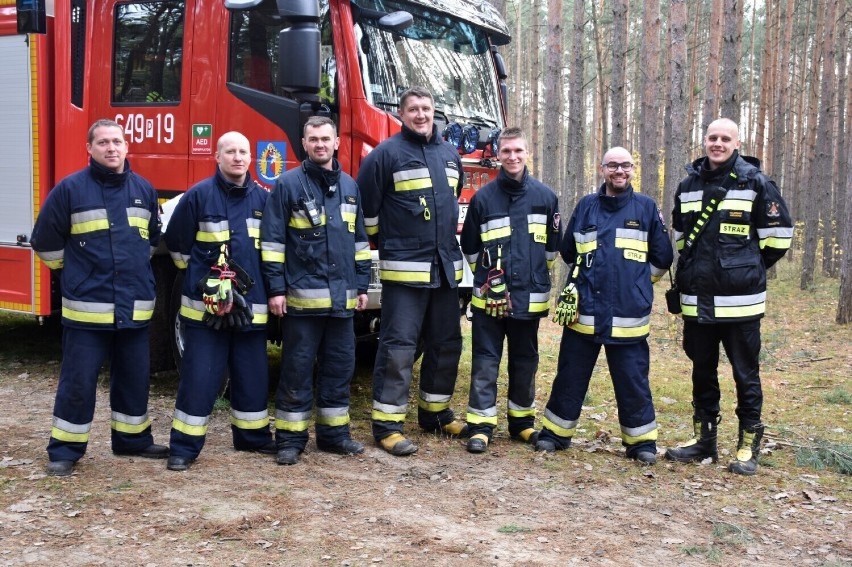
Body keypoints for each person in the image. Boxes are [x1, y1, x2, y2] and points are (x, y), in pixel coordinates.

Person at [31, 119, 168, 476]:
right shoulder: (70, 190)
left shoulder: (144, 189)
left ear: (127, 147)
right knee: (78, 381)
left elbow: (151, 241)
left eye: (117, 142)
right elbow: (44, 242)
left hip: (134, 307)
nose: (111, 148)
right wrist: (74, 274)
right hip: (87, 312)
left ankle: (133, 440)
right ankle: (65, 450)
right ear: (89, 149)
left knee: (134, 378)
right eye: (103, 142)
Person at [665, 118, 793, 475]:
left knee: (745, 373)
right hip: (697, 302)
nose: (717, 143)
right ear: (704, 141)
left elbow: (779, 238)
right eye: (712, 137)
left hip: (741, 303)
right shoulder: (687, 185)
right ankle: (704, 440)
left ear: (737, 143)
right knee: (701, 371)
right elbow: (681, 237)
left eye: (725, 138)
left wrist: (746, 268)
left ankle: (748, 444)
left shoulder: (756, 182)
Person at [536, 147, 673, 465]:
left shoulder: (646, 208)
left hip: (628, 315)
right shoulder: (586, 207)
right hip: (584, 313)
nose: (619, 171)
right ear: (602, 170)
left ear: (633, 169)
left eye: (625, 165)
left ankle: (641, 443)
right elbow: (570, 252)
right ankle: (555, 435)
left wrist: (638, 284)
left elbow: (662, 258)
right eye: (613, 165)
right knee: (570, 375)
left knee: (633, 380)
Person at [357, 86, 467, 456]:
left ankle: (435, 413)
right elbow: (367, 215)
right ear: (401, 114)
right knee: (399, 348)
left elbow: (451, 207)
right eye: (413, 109)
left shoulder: (451, 155)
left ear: (434, 111)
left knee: (446, 342)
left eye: (426, 108)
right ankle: (387, 425)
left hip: (444, 270)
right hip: (405, 273)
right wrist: (393, 245)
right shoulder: (384, 156)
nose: (421, 115)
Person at [261, 116, 371, 465]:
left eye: (326, 138)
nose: (320, 144)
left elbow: (360, 243)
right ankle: (290, 440)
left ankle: (334, 435)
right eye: (313, 139)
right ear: (304, 143)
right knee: (296, 369)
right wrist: (276, 289)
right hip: (301, 304)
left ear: (337, 142)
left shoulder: (351, 187)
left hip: (342, 303)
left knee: (340, 367)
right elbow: (273, 242)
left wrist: (363, 284)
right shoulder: (288, 185)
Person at [164, 131, 274, 472]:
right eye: (230, 151)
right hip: (205, 313)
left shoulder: (265, 200)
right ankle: (183, 447)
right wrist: (205, 286)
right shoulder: (197, 196)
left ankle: (252, 437)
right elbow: (179, 249)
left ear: (250, 158)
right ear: (217, 156)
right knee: (199, 379)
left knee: (252, 376)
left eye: (243, 151)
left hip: (249, 309)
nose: (237, 157)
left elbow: (271, 253)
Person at [459, 127, 560, 454]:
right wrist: (489, 281)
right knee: (486, 360)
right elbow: (470, 249)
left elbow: (551, 251)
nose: (513, 157)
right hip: (491, 301)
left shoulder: (546, 198)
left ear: (526, 152)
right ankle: (481, 425)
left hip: (529, 298)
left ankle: (521, 423)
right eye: (506, 152)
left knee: (525, 360)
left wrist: (531, 276)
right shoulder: (483, 198)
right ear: (498, 155)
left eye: (518, 151)